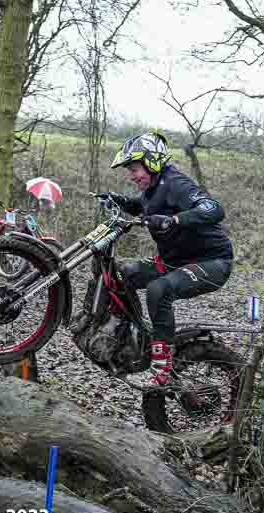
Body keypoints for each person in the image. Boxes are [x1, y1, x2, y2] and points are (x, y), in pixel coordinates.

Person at [100, 131, 234, 388]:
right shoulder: (154, 188)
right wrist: (121, 201)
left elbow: (214, 209)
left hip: (212, 261)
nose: (131, 175)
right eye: (129, 170)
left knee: (158, 290)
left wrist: (174, 220)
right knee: (125, 274)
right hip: (176, 259)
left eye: (135, 168)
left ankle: (162, 369)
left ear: (152, 162)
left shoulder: (176, 183)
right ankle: (136, 337)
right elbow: (145, 205)